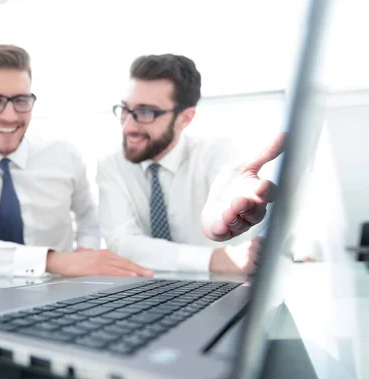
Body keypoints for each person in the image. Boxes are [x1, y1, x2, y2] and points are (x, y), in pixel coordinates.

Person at [0, 44, 152, 278]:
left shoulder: (64, 154)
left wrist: (86, 250)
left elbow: (88, 216)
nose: (9, 115)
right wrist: (52, 261)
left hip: (61, 294)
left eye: (21, 101)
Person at [97, 54, 281, 274]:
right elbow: (122, 243)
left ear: (185, 118)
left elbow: (229, 178)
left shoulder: (213, 151)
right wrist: (215, 259)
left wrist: (236, 197)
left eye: (145, 112)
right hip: (146, 291)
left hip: (218, 286)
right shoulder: (112, 165)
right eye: (125, 109)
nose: (127, 126)